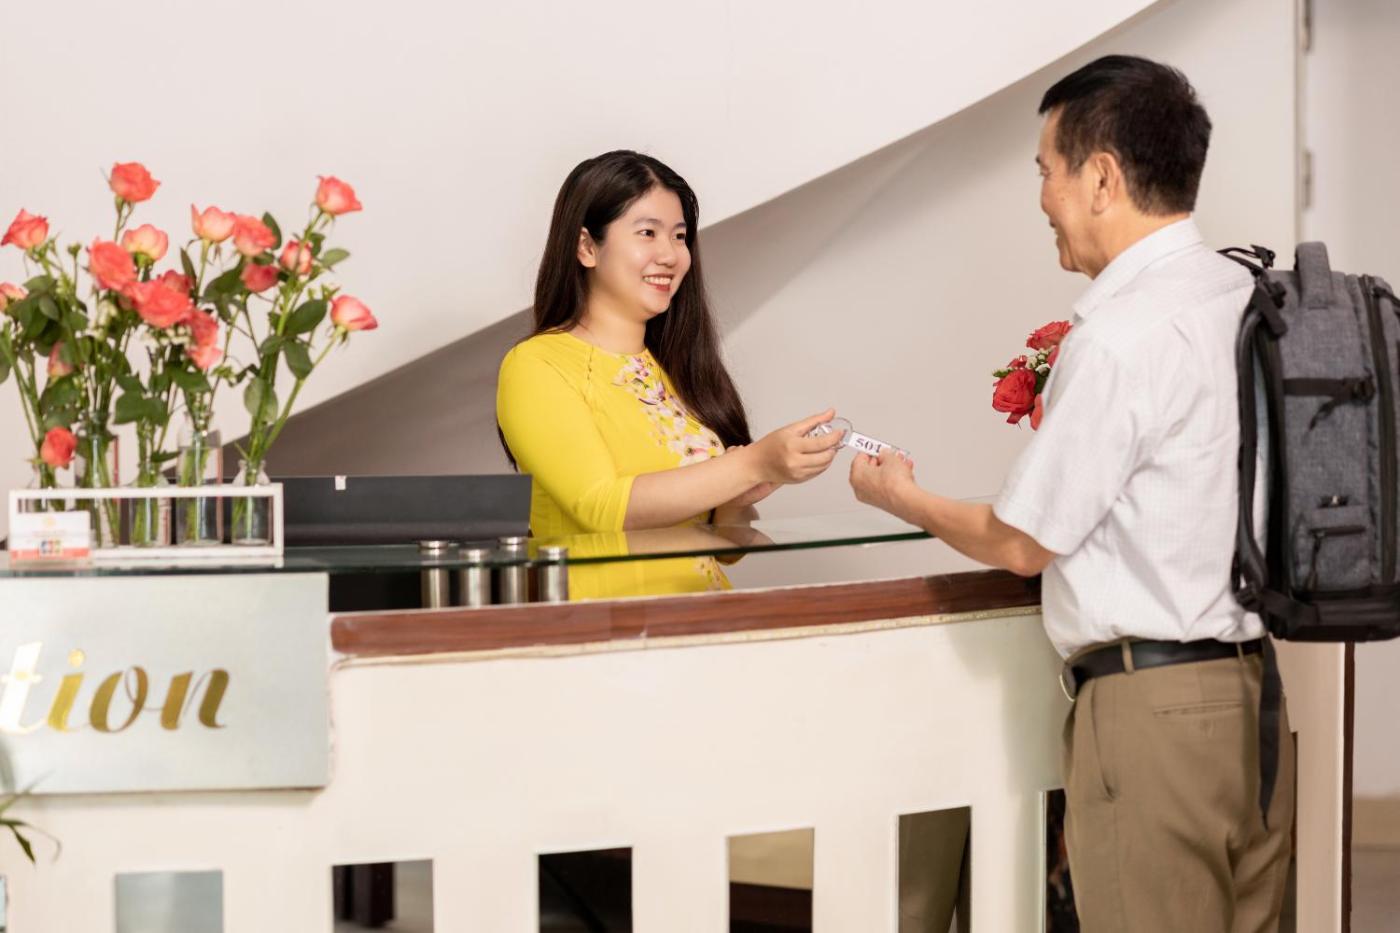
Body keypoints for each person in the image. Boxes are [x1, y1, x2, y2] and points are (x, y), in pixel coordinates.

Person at [849, 56, 1294, 931]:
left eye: (1046, 170)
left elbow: (1021, 539)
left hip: (1152, 712)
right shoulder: (1246, 295)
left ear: (1102, 178)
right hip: (1257, 698)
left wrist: (905, 497)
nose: (1042, 197)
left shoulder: (1124, 333)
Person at [497, 150, 842, 600]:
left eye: (680, 237)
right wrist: (750, 464)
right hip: (604, 628)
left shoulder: (677, 368)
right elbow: (602, 508)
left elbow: (726, 549)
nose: (670, 255)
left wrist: (739, 495)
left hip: (706, 621)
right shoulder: (536, 365)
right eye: (647, 233)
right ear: (586, 247)